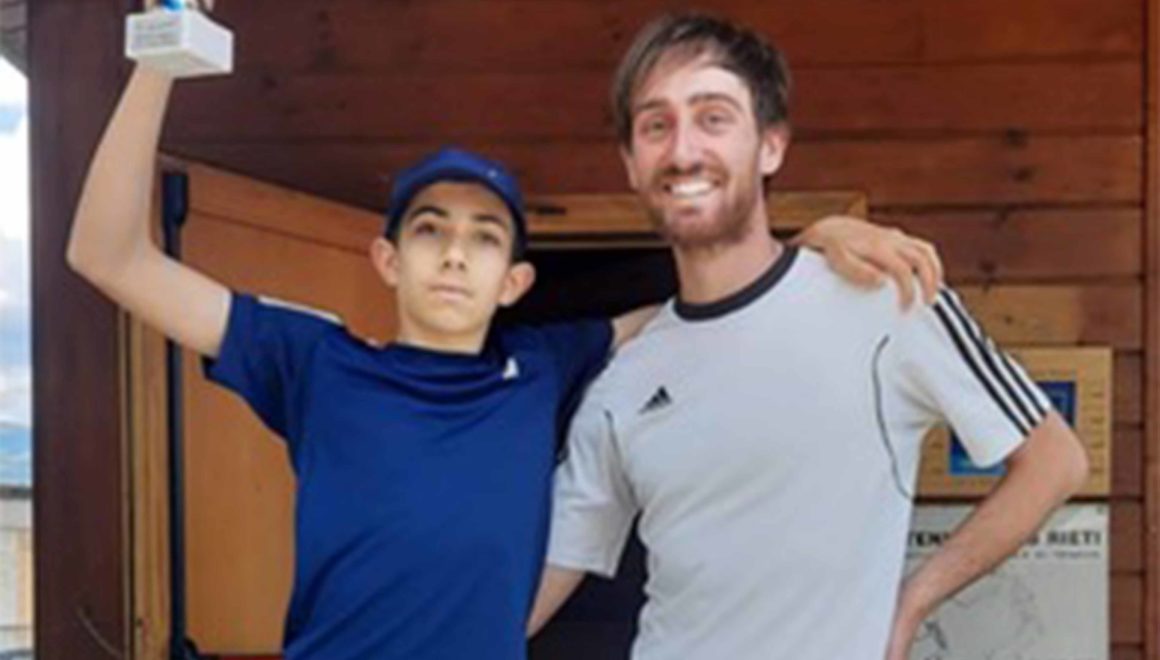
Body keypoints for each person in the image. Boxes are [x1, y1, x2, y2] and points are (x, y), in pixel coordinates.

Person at [65, 20, 940, 660]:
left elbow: (701, 306)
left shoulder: (546, 367)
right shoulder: (316, 362)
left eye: (485, 238)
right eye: (430, 231)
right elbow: (108, 255)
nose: (455, 254)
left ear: (515, 281)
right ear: (386, 259)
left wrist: (809, 243)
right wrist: (156, 64)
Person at [530, 13, 1090, 660]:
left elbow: (1054, 462)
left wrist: (912, 602)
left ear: (771, 146)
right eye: (656, 125)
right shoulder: (624, 380)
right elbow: (539, 584)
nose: (683, 151)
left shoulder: (888, 300)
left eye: (713, 118)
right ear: (631, 164)